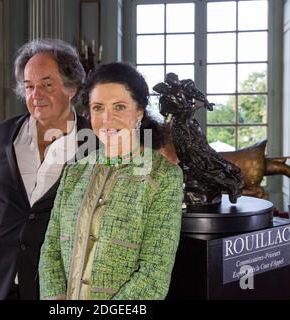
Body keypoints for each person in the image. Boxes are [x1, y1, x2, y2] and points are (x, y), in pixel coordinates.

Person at [39, 62, 184, 300]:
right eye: (98, 108)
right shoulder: (74, 171)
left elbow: (153, 275)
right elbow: (51, 249)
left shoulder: (164, 177)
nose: (107, 118)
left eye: (119, 107)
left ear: (139, 112)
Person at [0, 39, 93, 300]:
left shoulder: (96, 145)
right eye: (29, 86)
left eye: (47, 84)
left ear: (71, 88)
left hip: (54, 286)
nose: (36, 95)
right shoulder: (0, 136)